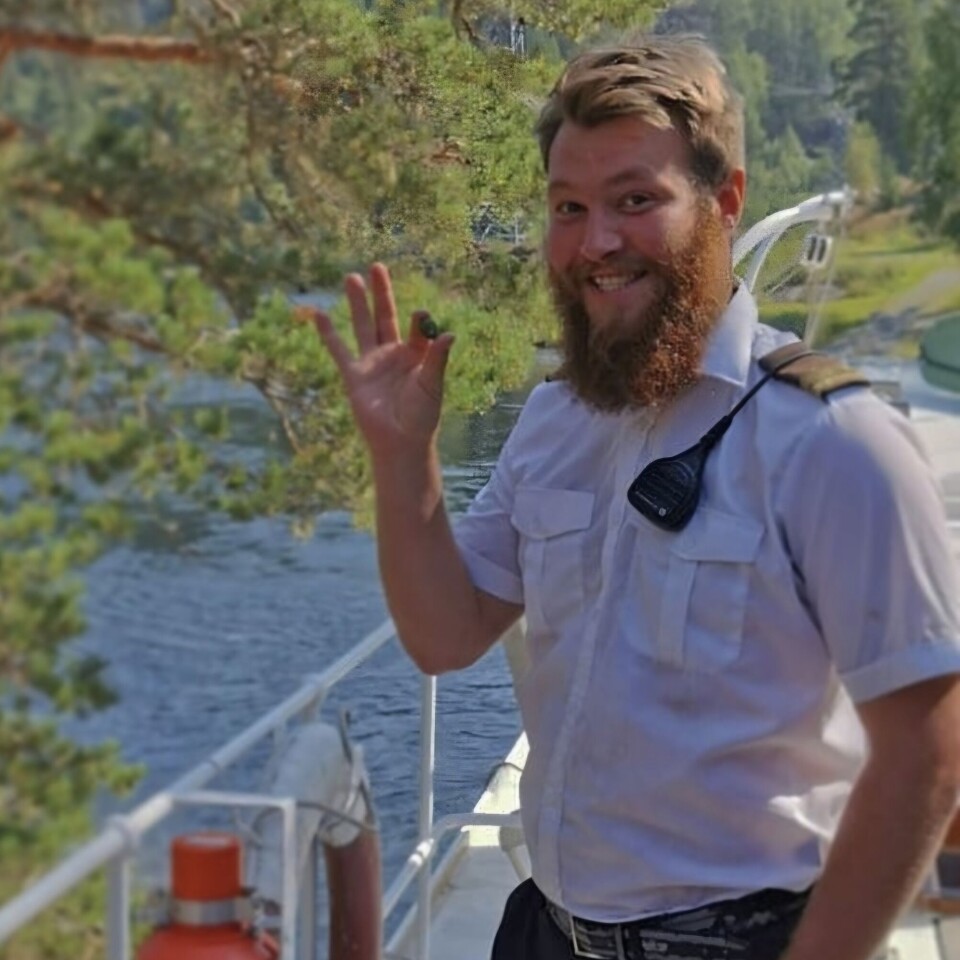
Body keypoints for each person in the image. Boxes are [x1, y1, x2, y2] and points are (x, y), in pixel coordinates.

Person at [312, 32, 960, 960]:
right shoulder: (553, 422)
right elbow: (445, 635)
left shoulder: (833, 443)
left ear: (724, 200)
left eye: (635, 201)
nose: (596, 242)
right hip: (547, 933)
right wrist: (401, 456)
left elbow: (927, 753)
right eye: (569, 207)